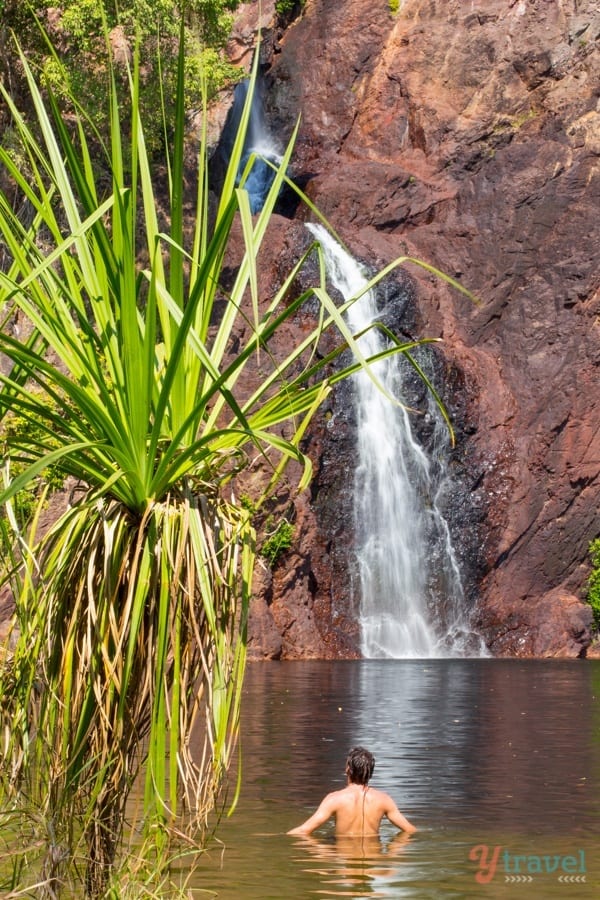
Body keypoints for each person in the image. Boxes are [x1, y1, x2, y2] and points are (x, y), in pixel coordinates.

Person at [287, 746, 417, 836]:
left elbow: (304, 831)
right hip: (373, 861)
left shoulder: (334, 799)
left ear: (348, 769)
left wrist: (325, 853)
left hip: (343, 859)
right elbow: (410, 830)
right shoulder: (384, 800)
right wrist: (391, 854)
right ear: (371, 773)